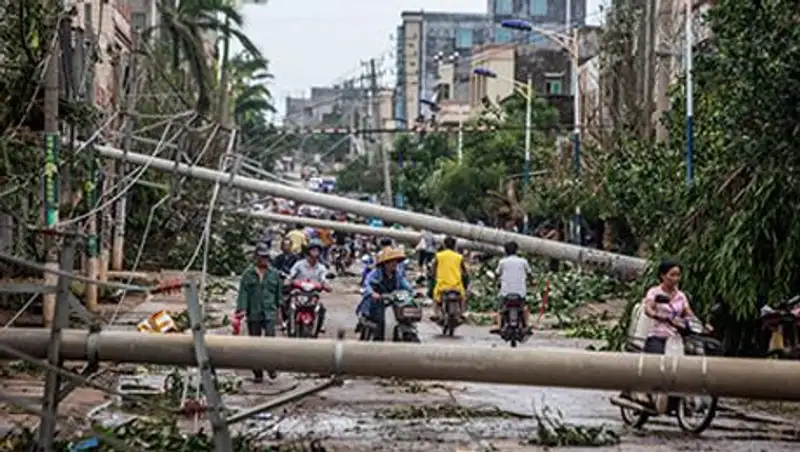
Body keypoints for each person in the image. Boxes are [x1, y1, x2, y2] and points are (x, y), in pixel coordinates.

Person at [235, 243, 282, 382]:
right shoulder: (248, 274)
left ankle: (271, 367)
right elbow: (243, 293)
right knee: (254, 343)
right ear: (256, 257)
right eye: (262, 257)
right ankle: (257, 372)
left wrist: (279, 312)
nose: (264, 260)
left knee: (269, 341)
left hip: (269, 311)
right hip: (254, 311)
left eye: (266, 257)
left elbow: (278, 295)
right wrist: (241, 309)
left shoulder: (274, 274)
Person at [356, 247, 416, 340]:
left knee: (404, 316)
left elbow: (406, 285)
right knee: (380, 320)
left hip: (393, 300)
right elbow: (367, 284)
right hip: (377, 301)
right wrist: (373, 293)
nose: (395, 264)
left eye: (396, 261)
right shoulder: (375, 273)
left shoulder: (397, 274)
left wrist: (414, 292)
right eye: (392, 261)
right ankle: (378, 340)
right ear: (386, 263)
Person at [642, 260, 700, 354]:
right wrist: (658, 315)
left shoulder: (681, 296)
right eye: (672, 275)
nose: (675, 278)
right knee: (655, 356)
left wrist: (698, 323)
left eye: (678, 275)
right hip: (658, 335)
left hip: (677, 335)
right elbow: (648, 308)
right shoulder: (654, 292)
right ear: (663, 275)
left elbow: (689, 313)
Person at [287, 239, 330, 335]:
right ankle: (288, 323)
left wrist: (326, 285)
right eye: (313, 250)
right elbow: (291, 275)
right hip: (298, 293)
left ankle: (319, 326)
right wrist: (289, 280)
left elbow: (324, 279)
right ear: (308, 251)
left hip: (313, 295)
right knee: (290, 304)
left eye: (317, 250)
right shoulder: (299, 264)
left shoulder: (321, 268)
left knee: (321, 309)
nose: (315, 253)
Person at [491, 241, 533, 334]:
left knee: (500, 308)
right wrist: (532, 282)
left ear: (505, 251)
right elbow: (530, 275)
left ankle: (498, 326)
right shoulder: (523, 261)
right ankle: (526, 324)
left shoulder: (502, 262)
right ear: (517, 250)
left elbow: (496, 275)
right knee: (524, 307)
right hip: (520, 292)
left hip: (506, 292)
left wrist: (494, 282)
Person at [431, 236, 468, 321]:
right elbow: (465, 271)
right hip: (456, 285)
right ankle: (462, 313)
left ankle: (435, 313)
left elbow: (433, 268)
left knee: (436, 297)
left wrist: (433, 275)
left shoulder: (439, 255)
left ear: (444, 245)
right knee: (463, 297)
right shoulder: (459, 257)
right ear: (455, 246)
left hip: (442, 285)